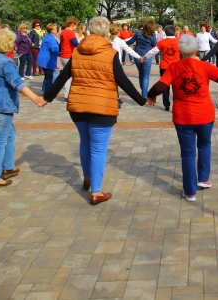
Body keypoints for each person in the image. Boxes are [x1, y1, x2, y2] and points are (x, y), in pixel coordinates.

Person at [44, 16, 147, 205]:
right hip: (102, 107)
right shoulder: (110, 53)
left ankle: (88, 177)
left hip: (78, 106)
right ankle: (96, 191)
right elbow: (122, 80)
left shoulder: (77, 51)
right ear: (107, 32)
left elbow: (62, 77)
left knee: (85, 142)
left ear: (89, 31)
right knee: (98, 148)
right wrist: (141, 100)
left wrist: (46, 98)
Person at [146, 35, 218, 201]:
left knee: (187, 153)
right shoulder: (204, 66)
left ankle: (190, 191)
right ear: (196, 50)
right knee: (204, 145)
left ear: (180, 51)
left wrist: (151, 95)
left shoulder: (174, 67)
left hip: (183, 117)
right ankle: (203, 179)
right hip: (204, 115)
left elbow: (161, 85)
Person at [0, 29, 47, 189]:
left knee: (10, 133)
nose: (14, 45)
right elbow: (18, 83)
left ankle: (9, 166)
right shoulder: (6, 62)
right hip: (0, 107)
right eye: (11, 42)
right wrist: (36, 99)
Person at [142, 25, 180, 111]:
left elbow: (153, 51)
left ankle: (166, 104)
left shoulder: (162, 42)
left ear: (165, 33)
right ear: (174, 32)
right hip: (176, 67)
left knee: (165, 86)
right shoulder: (179, 41)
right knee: (176, 87)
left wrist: (145, 56)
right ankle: (176, 105)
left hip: (164, 67)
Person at [127, 20, 158, 95]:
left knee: (141, 73)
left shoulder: (138, 33)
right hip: (147, 56)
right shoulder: (153, 36)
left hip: (137, 56)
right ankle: (144, 94)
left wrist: (123, 43)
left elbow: (130, 42)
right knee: (146, 76)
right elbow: (155, 46)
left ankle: (143, 91)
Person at [36, 24, 60, 94]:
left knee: (47, 76)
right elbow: (54, 50)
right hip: (48, 60)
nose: (56, 30)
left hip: (43, 59)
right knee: (49, 76)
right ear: (52, 31)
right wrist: (61, 54)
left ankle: (45, 90)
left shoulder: (47, 37)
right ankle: (47, 92)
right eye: (55, 29)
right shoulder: (51, 39)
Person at [59, 18, 79, 100]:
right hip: (69, 56)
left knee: (67, 77)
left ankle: (66, 96)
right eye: (76, 25)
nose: (76, 27)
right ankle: (69, 96)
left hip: (63, 56)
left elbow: (60, 45)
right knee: (72, 77)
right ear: (71, 24)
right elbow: (75, 43)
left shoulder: (63, 32)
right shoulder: (70, 33)